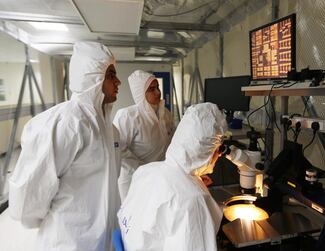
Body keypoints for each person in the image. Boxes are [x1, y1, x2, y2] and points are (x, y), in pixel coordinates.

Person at [8, 41, 121, 251]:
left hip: (103, 240)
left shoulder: (109, 130)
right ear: (93, 79)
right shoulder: (67, 124)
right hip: (69, 241)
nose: (118, 82)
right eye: (111, 75)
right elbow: (28, 196)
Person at [118, 102, 227, 251]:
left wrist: (193, 183)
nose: (218, 155)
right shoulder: (192, 200)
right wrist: (193, 189)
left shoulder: (146, 171)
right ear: (208, 152)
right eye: (217, 149)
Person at [113, 70, 175, 201]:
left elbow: (173, 141)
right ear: (141, 93)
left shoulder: (165, 114)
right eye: (151, 89)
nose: (158, 92)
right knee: (134, 217)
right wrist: (144, 170)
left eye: (157, 87)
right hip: (133, 179)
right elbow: (119, 151)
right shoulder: (128, 116)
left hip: (159, 176)